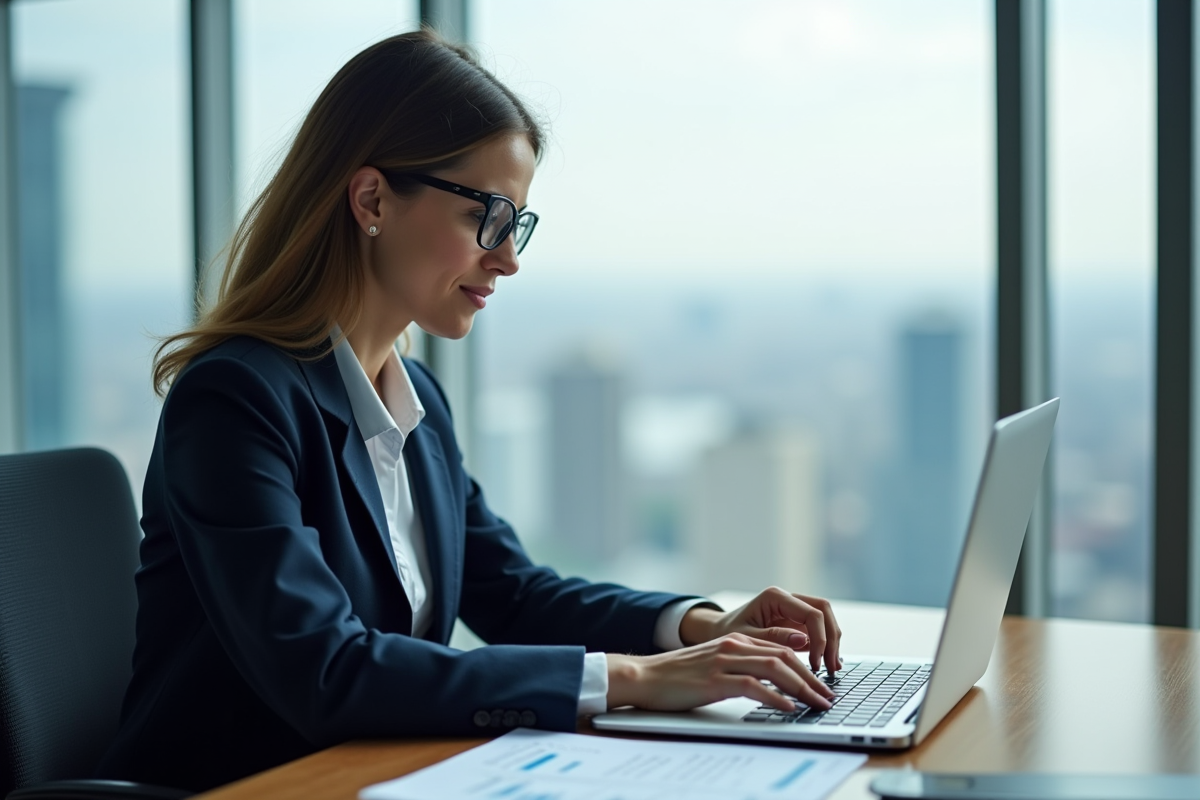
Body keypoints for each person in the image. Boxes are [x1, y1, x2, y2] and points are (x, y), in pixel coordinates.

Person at [95, 29, 843, 792]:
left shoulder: (419, 407)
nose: (508, 257)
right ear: (372, 199)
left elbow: (513, 593)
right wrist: (635, 678)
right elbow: (327, 671)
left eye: (516, 223)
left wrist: (699, 627)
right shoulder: (235, 402)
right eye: (486, 216)